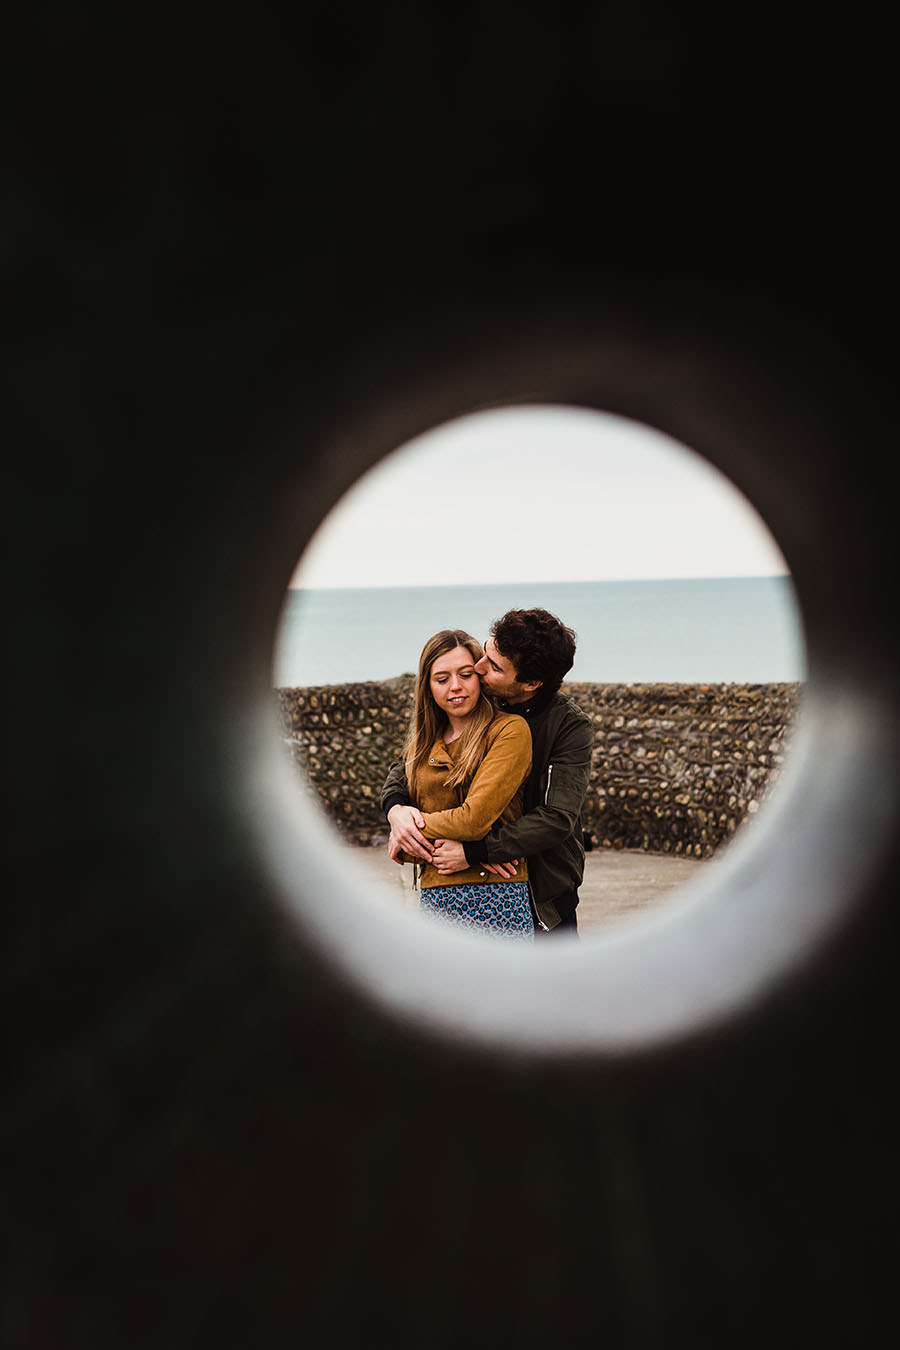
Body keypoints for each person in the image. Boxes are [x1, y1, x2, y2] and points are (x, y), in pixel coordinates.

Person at [383, 609, 593, 936]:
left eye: (493, 666)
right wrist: (396, 811)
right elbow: (411, 760)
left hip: (542, 888)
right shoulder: (479, 696)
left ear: (530, 683)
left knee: (550, 984)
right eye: (486, 649)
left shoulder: (567, 726)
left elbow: (556, 818)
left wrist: (476, 851)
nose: (478, 668)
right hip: (457, 877)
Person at [388, 628, 535, 940]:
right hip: (435, 899)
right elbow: (406, 852)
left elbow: (474, 820)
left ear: (480, 676)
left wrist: (408, 829)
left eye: (465, 675)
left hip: (498, 896)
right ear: (427, 687)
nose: (455, 687)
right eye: (442, 679)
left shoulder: (508, 731)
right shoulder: (422, 745)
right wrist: (396, 814)